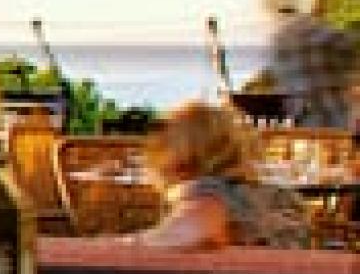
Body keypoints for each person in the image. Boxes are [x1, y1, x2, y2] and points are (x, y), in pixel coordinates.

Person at [128, 100, 313, 250]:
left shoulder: (206, 190)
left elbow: (193, 230)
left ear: (181, 153)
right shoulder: (280, 197)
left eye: (162, 140)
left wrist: (114, 247)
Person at [263, 0, 357, 131]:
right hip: (342, 122)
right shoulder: (327, 32)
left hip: (306, 127)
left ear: (270, 11)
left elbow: (286, 90)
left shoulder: (279, 42)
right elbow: (351, 65)